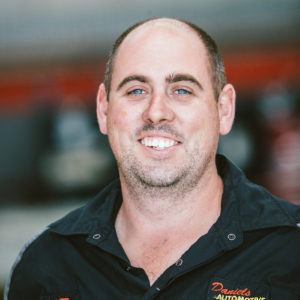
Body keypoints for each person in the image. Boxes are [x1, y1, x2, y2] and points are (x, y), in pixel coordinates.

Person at [5, 17, 300, 300]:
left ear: (224, 109)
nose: (156, 111)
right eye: (136, 90)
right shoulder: (45, 264)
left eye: (182, 90)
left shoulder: (290, 249)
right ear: (103, 110)